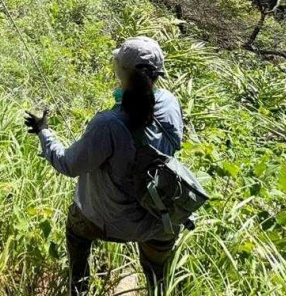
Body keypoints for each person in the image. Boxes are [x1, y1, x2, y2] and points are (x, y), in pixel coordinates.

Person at [25, 36, 184, 296]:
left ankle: (79, 289)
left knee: (76, 230)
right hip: (161, 219)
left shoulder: (109, 124)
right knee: (158, 274)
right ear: (158, 74)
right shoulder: (170, 103)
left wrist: (44, 131)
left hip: (108, 221)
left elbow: (68, 165)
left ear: (122, 71)